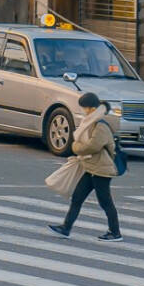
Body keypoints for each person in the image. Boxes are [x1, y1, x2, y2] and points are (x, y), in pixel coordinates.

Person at [50, 92, 123, 242]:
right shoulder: (92, 121)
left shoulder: (101, 124)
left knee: (105, 201)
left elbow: (94, 146)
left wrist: (76, 147)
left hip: (101, 169)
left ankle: (115, 232)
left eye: (84, 108)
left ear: (91, 108)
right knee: (77, 197)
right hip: (91, 167)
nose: (83, 110)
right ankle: (66, 228)